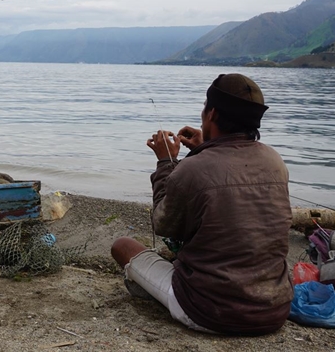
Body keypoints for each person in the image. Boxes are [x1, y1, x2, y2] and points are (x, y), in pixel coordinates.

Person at [111, 73, 293, 335]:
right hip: (273, 311)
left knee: (123, 246)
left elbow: (163, 223)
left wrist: (165, 163)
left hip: (208, 312)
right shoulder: (275, 161)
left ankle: (163, 297)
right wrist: (206, 146)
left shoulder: (194, 169)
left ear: (212, 114)